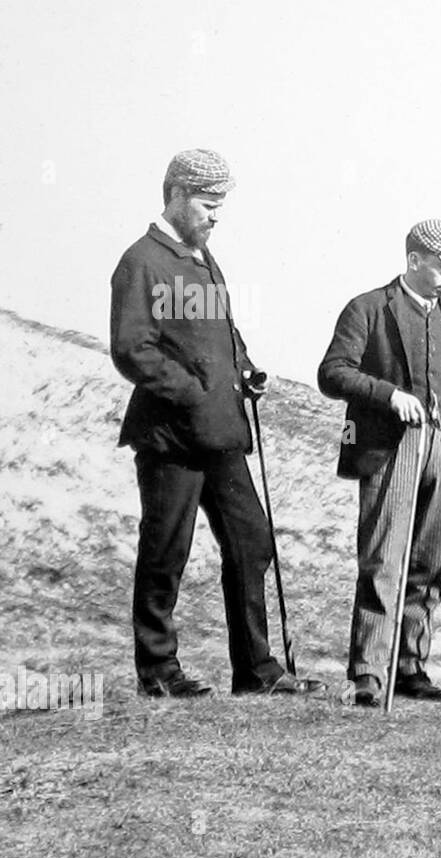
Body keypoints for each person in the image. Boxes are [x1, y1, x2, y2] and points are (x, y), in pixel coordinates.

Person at [110, 148, 322, 697]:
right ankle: (157, 673)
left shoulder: (204, 258)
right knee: (166, 551)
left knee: (252, 542)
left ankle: (255, 670)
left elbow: (223, 333)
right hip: (171, 438)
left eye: (220, 206)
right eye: (208, 204)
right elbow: (132, 349)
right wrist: (194, 391)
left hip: (221, 433)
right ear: (177, 195)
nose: (215, 216)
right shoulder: (141, 261)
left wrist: (245, 368)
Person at [318, 219, 441, 708]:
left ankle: (410, 665)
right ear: (414, 261)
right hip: (390, 449)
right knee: (383, 560)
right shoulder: (367, 308)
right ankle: (369, 673)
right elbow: (333, 373)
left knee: (432, 564)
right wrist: (389, 396)